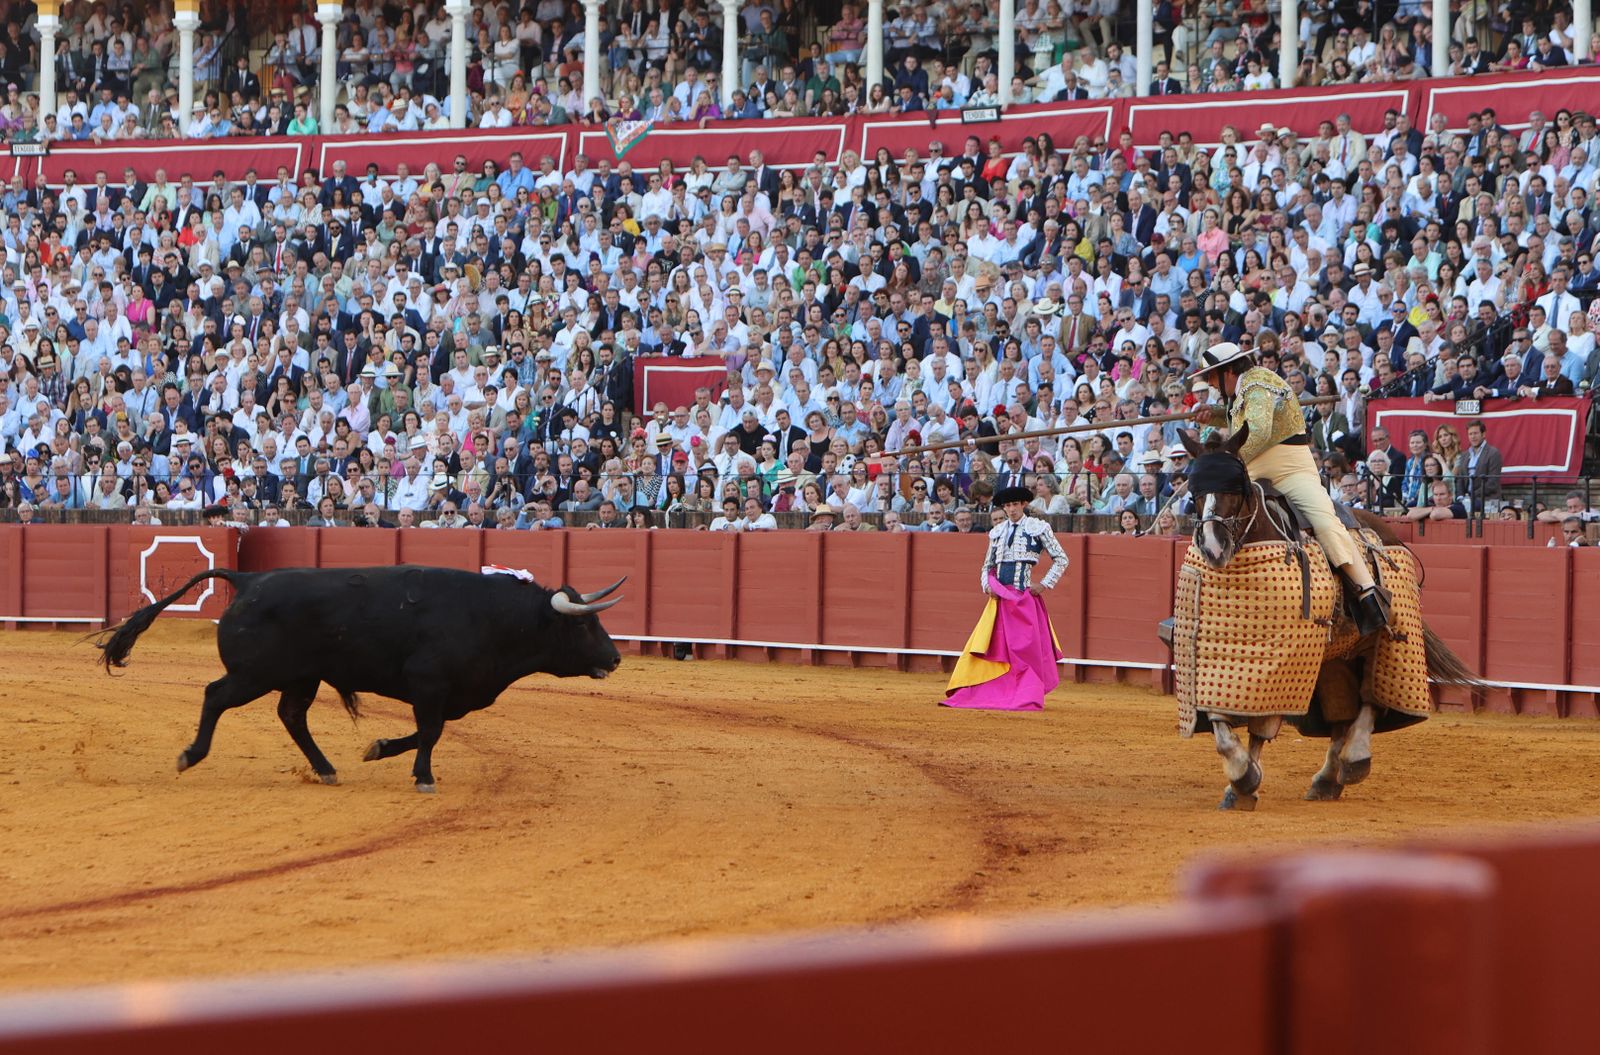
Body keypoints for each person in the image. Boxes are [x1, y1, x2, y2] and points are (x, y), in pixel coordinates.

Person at [1189, 342, 1388, 636]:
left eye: (1211, 378)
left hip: (1289, 468)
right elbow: (1236, 414)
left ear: (1227, 372)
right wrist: (1214, 414)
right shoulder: (1241, 389)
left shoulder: (1259, 386)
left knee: (1323, 519)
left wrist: (1226, 460)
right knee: (1219, 514)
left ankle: (1368, 593)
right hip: (1252, 468)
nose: (1210, 385)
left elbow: (1258, 430)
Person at [942, 484, 1068, 711]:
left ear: (1024, 504)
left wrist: (1045, 584)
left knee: (1024, 650)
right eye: (1007, 506)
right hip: (999, 600)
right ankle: (999, 691)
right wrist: (986, 586)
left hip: (1023, 598)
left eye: (1014, 505)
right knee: (996, 648)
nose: (1011, 509)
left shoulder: (1038, 528)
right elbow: (987, 567)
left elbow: (1062, 559)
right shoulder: (997, 532)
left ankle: (1025, 692)